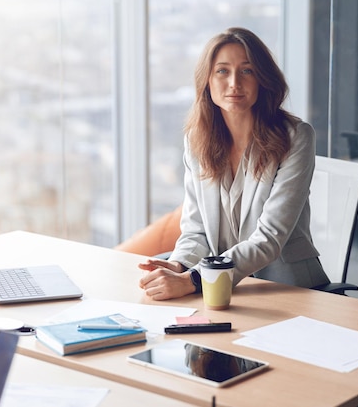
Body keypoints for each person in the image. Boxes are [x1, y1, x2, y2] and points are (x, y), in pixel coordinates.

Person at [139, 27, 329, 300]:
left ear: (263, 79)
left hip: (285, 289)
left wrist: (193, 280)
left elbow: (269, 237)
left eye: (247, 71)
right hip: (221, 291)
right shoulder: (197, 139)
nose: (234, 84)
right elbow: (196, 229)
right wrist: (178, 264)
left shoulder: (296, 137)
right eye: (222, 71)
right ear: (206, 80)